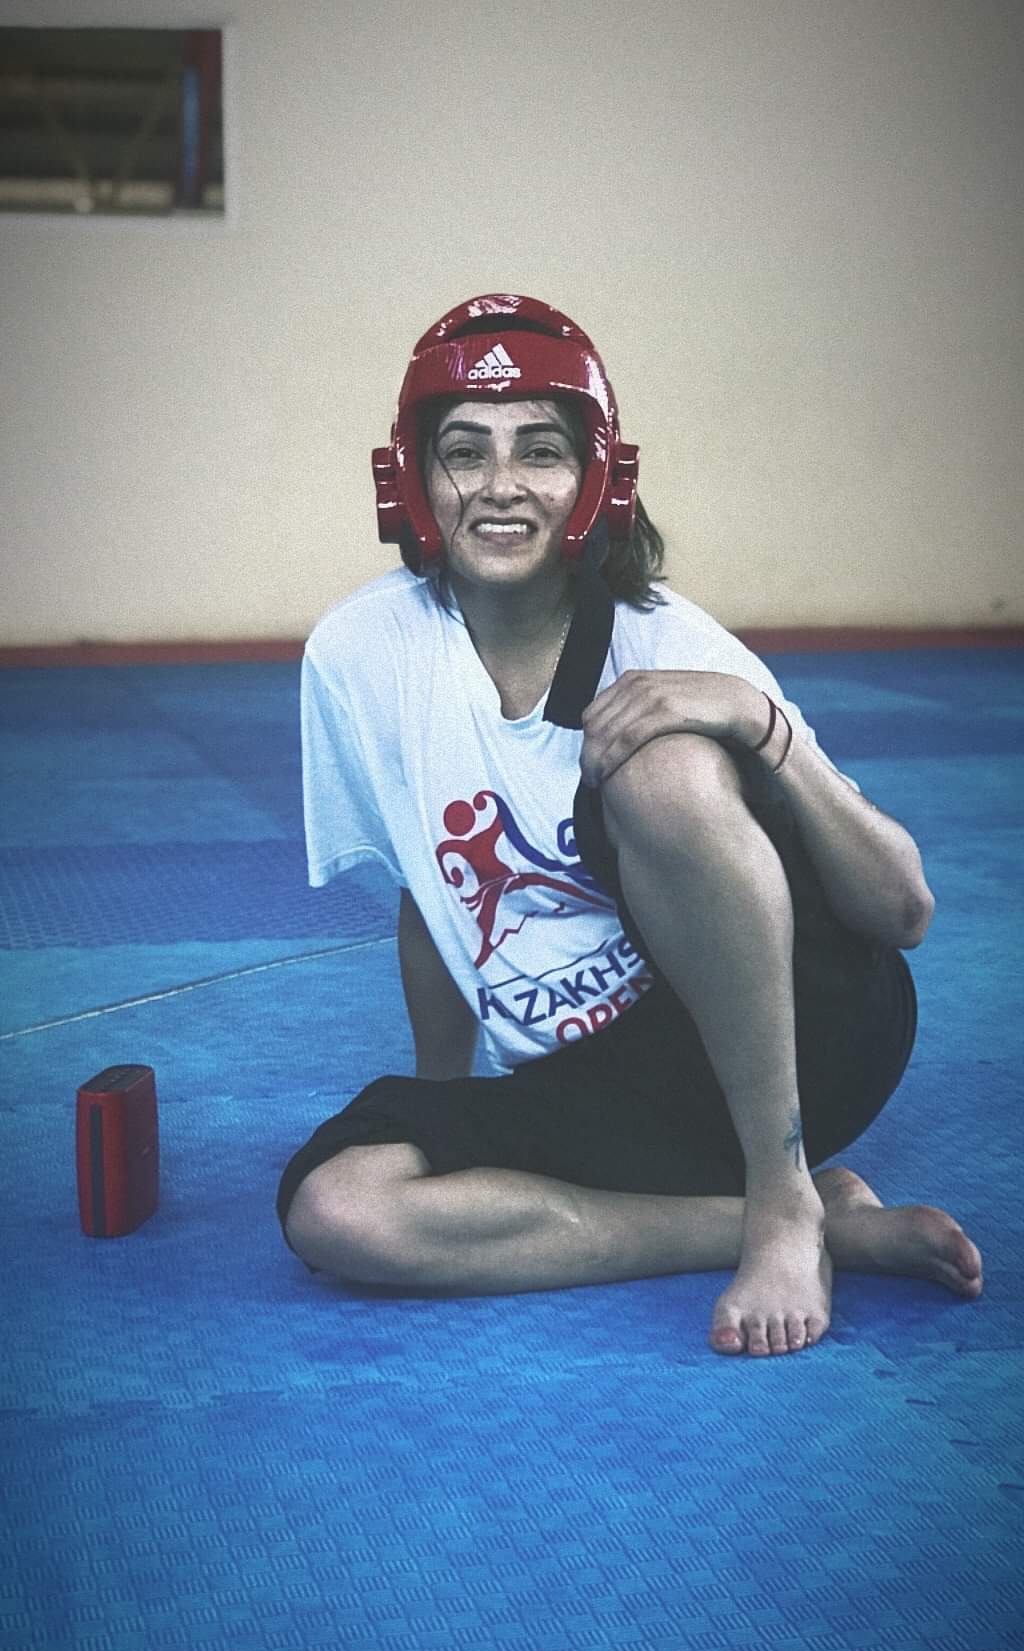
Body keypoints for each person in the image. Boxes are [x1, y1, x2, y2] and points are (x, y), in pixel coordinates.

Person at [277, 293, 982, 1357]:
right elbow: (433, 896)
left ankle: (781, 1188)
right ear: (412, 481)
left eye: (540, 451)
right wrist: (442, 1110)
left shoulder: (667, 641)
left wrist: (758, 722)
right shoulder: (357, 655)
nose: (501, 485)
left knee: (660, 768)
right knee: (338, 1211)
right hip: (603, 1094)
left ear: (598, 478)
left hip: (803, 1041)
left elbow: (903, 908)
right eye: (464, 451)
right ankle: (799, 1220)